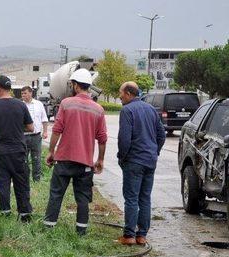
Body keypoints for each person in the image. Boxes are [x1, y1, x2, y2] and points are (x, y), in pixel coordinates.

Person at [43, 69, 107, 236]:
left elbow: (57, 130)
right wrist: (100, 159)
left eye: (72, 84)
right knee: (83, 199)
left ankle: (49, 228)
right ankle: (81, 231)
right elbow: (102, 138)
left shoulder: (66, 104)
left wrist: (51, 152)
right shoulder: (98, 109)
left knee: (56, 194)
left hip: (64, 160)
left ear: (77, 86)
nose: (71, 87)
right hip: (85, 162)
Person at [117, 82, 165, 245]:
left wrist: (122, 157)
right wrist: (154, 152)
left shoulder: (127, 110)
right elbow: (161, 136)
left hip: (133, 161)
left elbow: (124, 140)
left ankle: (129, 235)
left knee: (131, 198)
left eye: (121, 93)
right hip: (150, 161)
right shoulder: (151, 109)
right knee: (145, 197)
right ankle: (142, 235)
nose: (120, 96)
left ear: (129, 93)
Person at [0, 75, 34, 221]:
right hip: (18, 151)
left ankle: (5, 213)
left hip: (0, 152)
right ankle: (24, 215)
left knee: (3, 183)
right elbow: (31, 127)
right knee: (21, 182)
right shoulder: (21, 105)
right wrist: (16, 129)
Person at [21, 86, 48, 182]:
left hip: (36, 136)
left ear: (31, 93)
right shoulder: (20, 105)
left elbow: (44, 119)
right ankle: (25, 179)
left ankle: (36, 179)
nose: (23, 95)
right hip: (23, 136)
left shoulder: (39, 104)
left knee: (36, 158)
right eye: (22, 93)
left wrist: (45, 131)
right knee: (23, 159)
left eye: (25, 93)